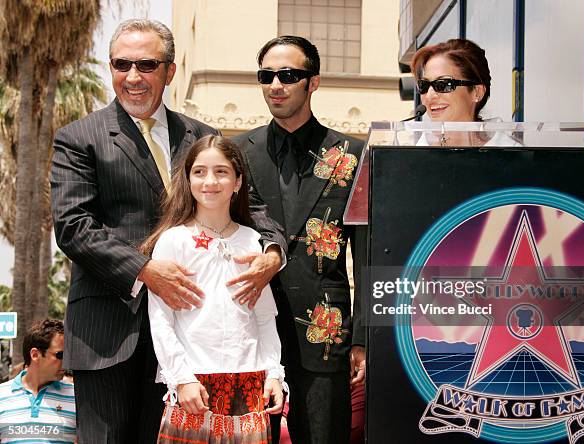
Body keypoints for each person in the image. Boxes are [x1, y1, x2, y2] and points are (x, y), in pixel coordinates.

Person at [51, 19, 284, 443]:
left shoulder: (205, 136)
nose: (134, 77)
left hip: (195, 345)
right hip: (109, 331)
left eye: (147, 64)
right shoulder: (79, 138)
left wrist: (272, 253)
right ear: (111, 68)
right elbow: (73, 226)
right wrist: (145, 270)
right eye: (122, 64)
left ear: (170, 71)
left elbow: (255, 210)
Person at [233, 36, 366, 444]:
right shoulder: (238, 152)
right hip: (250, 328)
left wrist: (361, 337)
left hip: (324, 332)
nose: (276, 84)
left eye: (288, 75)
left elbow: (364, 253)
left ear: (313, 82)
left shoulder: (353, 154)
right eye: (266, 75)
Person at [141, 135, 284, 442]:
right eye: (200, 172)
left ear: (237, 182)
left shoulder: (252, 241)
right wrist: (181, 379)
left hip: (250, 387)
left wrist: (274, 373)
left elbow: (264, 318)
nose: (210, 181)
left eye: (221, 171)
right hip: (194, 387)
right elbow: (161, 320)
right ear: (188, 180)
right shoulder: (172, 240)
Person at [411, 38, 521, 146]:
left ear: (477, 92)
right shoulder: (415, 155)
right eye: (423, 85)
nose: (429, 96)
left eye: (443, 84)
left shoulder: (511, 155)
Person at [0, 319, 76, 443]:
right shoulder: (1, 395)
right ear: (35, 355)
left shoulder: (76, 397)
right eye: (60, 355)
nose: (66, 362)